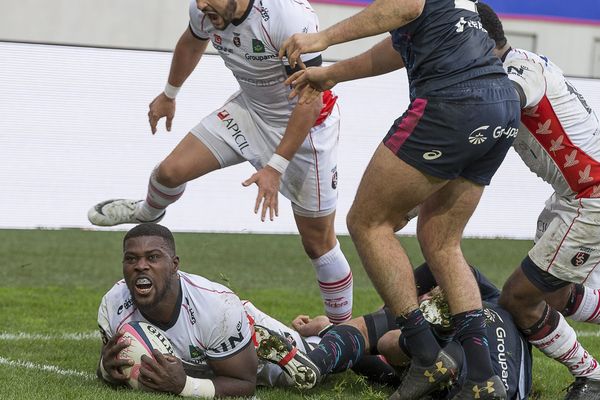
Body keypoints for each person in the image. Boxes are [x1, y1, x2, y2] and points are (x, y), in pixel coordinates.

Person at [278, 1, 521, 399]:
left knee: (367, 222)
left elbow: (404, 7)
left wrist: (322, 38)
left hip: (451, 100)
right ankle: (482, 375)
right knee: (442, 242)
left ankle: (425, 355)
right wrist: (333, 73)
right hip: (501, 103)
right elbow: (398, 43)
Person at [88, 0, 354, 325]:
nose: (201, 4)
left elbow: (310, 101)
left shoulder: (287, 16)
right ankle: (146, 212)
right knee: (169, 172)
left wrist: (274, 167)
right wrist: (169, 94)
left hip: (306, 129)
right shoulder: (204, 11)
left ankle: (344, 331)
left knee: (318, 242)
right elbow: (191, 41)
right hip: (250, 112)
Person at [476, 4, 600, 400]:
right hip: (572, 196)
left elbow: (503, 102)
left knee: (519, 297)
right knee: (555, 294)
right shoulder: (515, 65)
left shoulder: (519, 72)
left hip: (590, 198)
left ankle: (593, 377)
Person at [97, 223, 322, 397]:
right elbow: (111, 366)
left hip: (235, 333)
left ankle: (325, 331)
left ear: (174, 265)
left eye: (153, 257)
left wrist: (183, 385)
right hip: (207, 353)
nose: (140, 266)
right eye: (131, 259)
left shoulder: (215, 307)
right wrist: (106, 370)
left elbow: (245, 385)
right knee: (200, 364)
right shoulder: (113, 305)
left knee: (317, 367)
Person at [257, 263, 532, 400]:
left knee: (390, 341)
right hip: (484, 380)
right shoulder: (496, 302)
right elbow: (451, 269)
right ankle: (317, 362)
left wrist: (333, 328)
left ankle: (320, 358)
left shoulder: (459, 324)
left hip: (471, 383)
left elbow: (387, 345)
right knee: (389, 334)